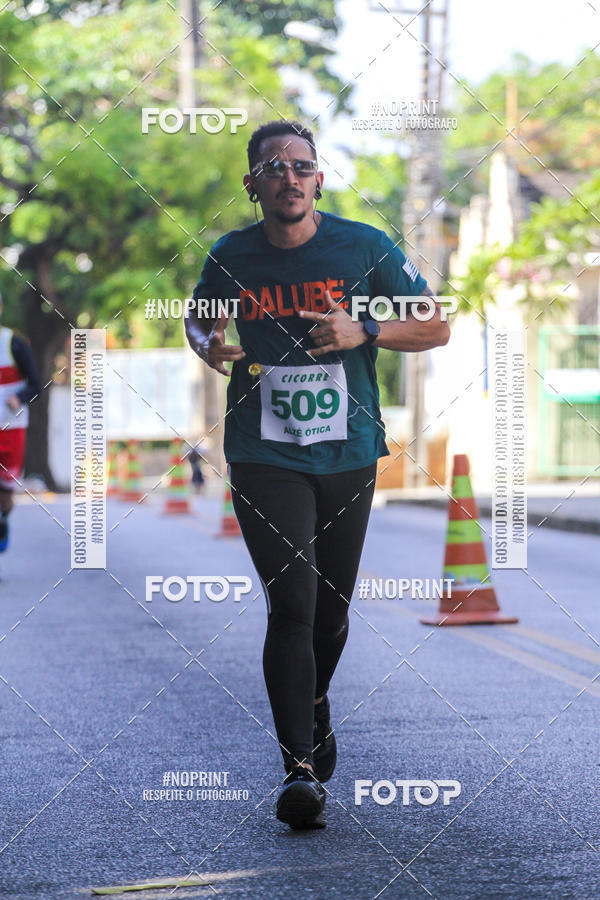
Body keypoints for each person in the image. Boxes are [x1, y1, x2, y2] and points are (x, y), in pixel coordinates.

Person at [185, 120, 450, 830]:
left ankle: (314, 701)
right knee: (293, 604)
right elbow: (198, 316)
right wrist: (207, 341)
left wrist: (367, 331)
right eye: (274, 168)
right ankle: (298, 769)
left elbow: (434, 324)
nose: (290, 178)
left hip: (347, 452)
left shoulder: (364, 247)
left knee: (331, 613)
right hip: (264, 453)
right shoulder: (232, 255)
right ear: (253, 185)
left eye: (301, 166)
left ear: (319, 180)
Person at [0, 292, 42, 570]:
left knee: (5, 495)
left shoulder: (13, 343)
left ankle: (3, 519)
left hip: (11, 430)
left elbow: (37, 385)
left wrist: (19, 397)